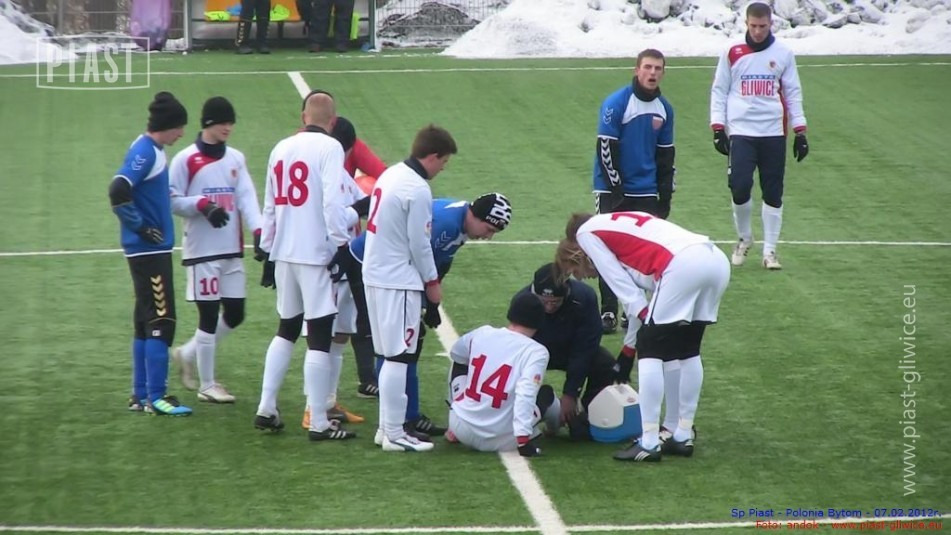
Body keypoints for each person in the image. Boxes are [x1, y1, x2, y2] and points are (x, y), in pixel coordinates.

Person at [554, 212, 730, 462]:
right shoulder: (618, 232)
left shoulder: (586, 234)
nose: (581, 277)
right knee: (686, 349)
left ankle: (649, 442)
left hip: (681, 264)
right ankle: (682, 433)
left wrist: (644, 331)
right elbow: (637, 294)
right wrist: (628, 347)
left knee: (651, 350)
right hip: (714, 259)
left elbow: (623, 288)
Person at [341, 193, 513, 442]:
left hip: (387, 267)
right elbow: (419, 264)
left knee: (408, 342)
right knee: (398, 344)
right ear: (477, 216)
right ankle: (397, 420)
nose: (489, 237)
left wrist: (430, 305)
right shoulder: (447, 224)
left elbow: (439, 265)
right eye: (489, 229)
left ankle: (406, 415)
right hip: (372, 265)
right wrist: (428, 302)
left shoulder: (461, 221)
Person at [253, 90, 356, 442]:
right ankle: (319, 422)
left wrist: (268, 251)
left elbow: (270, 205)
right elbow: (332, 202)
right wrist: (341, 244)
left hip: (285, 251)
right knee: (320, 336)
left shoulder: (280, 148)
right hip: (315, 254)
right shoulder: (331, 148)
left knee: (287, 328)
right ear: (333, 121)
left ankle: (266, 406)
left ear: (303, 117)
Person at [358, 124, 457, 452]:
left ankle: (385, 429)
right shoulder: (417, 188)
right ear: (432, 156)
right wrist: (432, 283)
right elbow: (419, 243)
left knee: (388, 355)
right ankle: (394, 432)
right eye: (444, 161)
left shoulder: (390, 174)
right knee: (399, 357)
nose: (443, 168)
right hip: (398, 280)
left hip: (374, 274)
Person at [169, 96, 263, 404]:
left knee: (235, 313)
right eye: (223, 122)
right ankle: (207, 385)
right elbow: (171, 201)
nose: (228, 127)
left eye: (231, 122)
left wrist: (259, 230)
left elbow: (246, 197)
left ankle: (187, 353)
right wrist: (202, 205)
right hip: (202, 252)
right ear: (208, 123)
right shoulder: (185, 159)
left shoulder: (236, 158)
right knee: (208, 316)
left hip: (231, 251)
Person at [108, 91, 191, 416]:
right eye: (179, 127)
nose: (181, 133)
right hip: (148, 251)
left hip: (145, 251)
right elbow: (118, 189)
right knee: (161, 319)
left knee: (144, 321)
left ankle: (140, 394)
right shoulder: (146, 151)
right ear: (167, 125)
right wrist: (141, 226)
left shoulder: (148, 148)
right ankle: (157, 397)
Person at [710, 2, 809, 270]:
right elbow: (719, 89)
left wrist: (800, 130)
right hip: (741, 131)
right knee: (739, 186)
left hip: (773, 132)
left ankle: (770, 251)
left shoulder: (783, 53)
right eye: (753, 26)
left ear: (771, 24)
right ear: (746, 23)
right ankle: (744, 238)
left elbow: (793, 92)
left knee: (773, 191)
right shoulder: (732, 51)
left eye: (762, 26)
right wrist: (718, 127)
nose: (757, 31)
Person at [592, 48, 676, 335]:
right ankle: (608, 310)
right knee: (606, 249)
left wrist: (665, 196)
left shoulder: (665, 109)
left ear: (663, 73)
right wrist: (616, 189)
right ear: (636, 70)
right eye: (647, 67)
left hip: (646, 190)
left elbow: (666, 156)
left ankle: (635, 310)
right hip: (611, 189)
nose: (652, 73)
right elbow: (606, 148)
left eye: (657, 68)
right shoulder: (617, 103)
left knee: (643, 252)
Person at [446, 292, 553, 457]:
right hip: (504, 439)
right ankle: (556, 427)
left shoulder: (482, 333)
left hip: (461, 427)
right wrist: (523, 440)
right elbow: (526, 393)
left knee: (459, 363)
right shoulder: (536, 351)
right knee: (546, 394)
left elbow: (457, 353)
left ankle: (456, 412)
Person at [515, 263, 615, 433]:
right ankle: (521, 414)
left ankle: (586, 415)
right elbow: (516, 346)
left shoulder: (584, 298)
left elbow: (586, 348)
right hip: (533, 351)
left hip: (569, 349)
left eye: (555, 302)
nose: (549, 307)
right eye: (544, 302)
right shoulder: (522, 302)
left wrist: (571, 393)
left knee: (605, 364)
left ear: (567, 293)